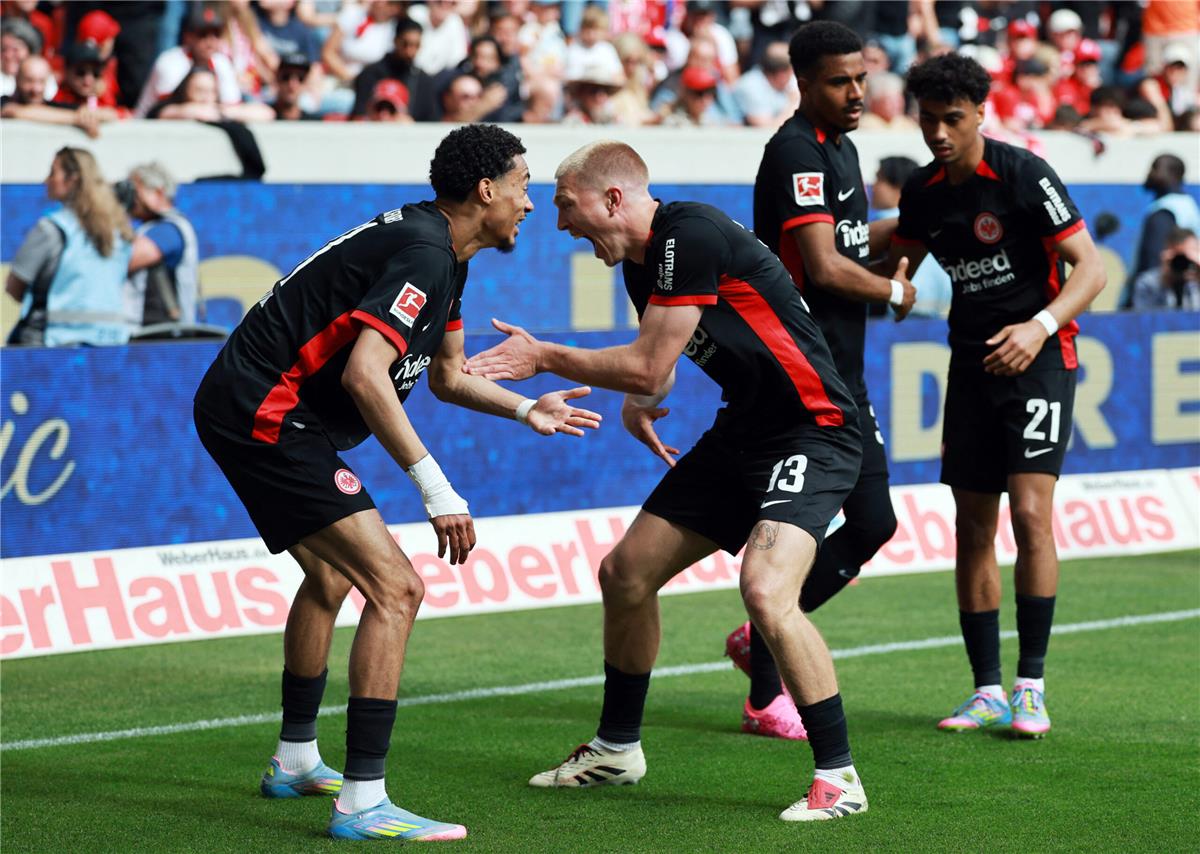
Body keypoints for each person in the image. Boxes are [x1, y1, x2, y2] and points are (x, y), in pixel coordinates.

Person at [192, 124, 601, 841]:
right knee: (397, 588)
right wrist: (436, 489)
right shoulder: (424, 253)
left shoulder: (445, 255)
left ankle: (294, 760)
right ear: (487, 191)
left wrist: (525, 407)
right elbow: (365, 375)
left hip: (258, 403)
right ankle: (362, 802)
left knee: (331, 577)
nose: (531, 204)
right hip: (266, 409)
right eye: (524, 186)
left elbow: (446, 377)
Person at [464, 140, 871, 822]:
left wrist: (545, 356)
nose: (560, 223)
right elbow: (663, 363)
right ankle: (616, 749)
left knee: (765, 591)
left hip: (813, 431)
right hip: (744, 434)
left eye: (566, 206)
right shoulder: (639, 262)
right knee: (624, 574)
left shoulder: (691, 233)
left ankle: (840, 778)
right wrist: (641, 402)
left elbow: (649, 363)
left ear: (612, 198)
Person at [889, 53, 1106, 738]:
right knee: (973, 525)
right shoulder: (924, 192)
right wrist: (883, 283)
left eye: (952, 119)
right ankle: (986, 691)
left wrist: (1039, 326)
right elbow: (897, 259)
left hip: (1041, 362)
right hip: (971, 366)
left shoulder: (1022, 174)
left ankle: (1030, 688)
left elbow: (1091, 267)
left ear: (981, 113)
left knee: (1032, 516)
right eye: (928, 120)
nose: (939, 133)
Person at [737, 21, 914, 742]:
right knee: (788, 534)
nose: (857, 92)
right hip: (799, 376)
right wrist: (897, 291)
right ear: (803, 83)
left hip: (842, 375)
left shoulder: (841, 147)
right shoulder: (795, 151)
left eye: (862, 78)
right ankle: (764, 693)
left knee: (874, 523)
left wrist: (913, 226)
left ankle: (760, 637)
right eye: (840, 82)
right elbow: (824, 266)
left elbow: (848, 244)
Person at [6, 147, 132, 347]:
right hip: (110, 345)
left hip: (50, 344)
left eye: (52, 173)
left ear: (72, 179)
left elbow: (14, 287)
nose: (46, 181)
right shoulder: (120, 231)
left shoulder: (52, 229)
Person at [871, 155, 951, 318]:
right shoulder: (935, 218)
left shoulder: (884, 224)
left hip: (903, 311)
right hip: (942, 314)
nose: (873, 187)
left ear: (898, 186)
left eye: (879, 179)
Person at [124, 161, 201, 328]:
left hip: (161, 335)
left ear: (158, 192)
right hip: (147, 331)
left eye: (134, 191)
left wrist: (115, 214)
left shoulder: (169, 229)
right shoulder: (149, 228)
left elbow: (124, 261)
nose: (130, 199)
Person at [1124, 154, 1200, 308]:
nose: (1149, 174)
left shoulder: (1164, 212)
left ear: (1172, 173)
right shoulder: (1189, 206)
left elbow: (1152, 263)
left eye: (1155, 168)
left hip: (1162, 301)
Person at [1131, 227, 1200, 310]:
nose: (1183, 262)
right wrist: (1164, 280)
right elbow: (1145, 316)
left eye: (1187, 257)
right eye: (1179, 257)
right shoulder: (1147, 282)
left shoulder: (1196, 279)